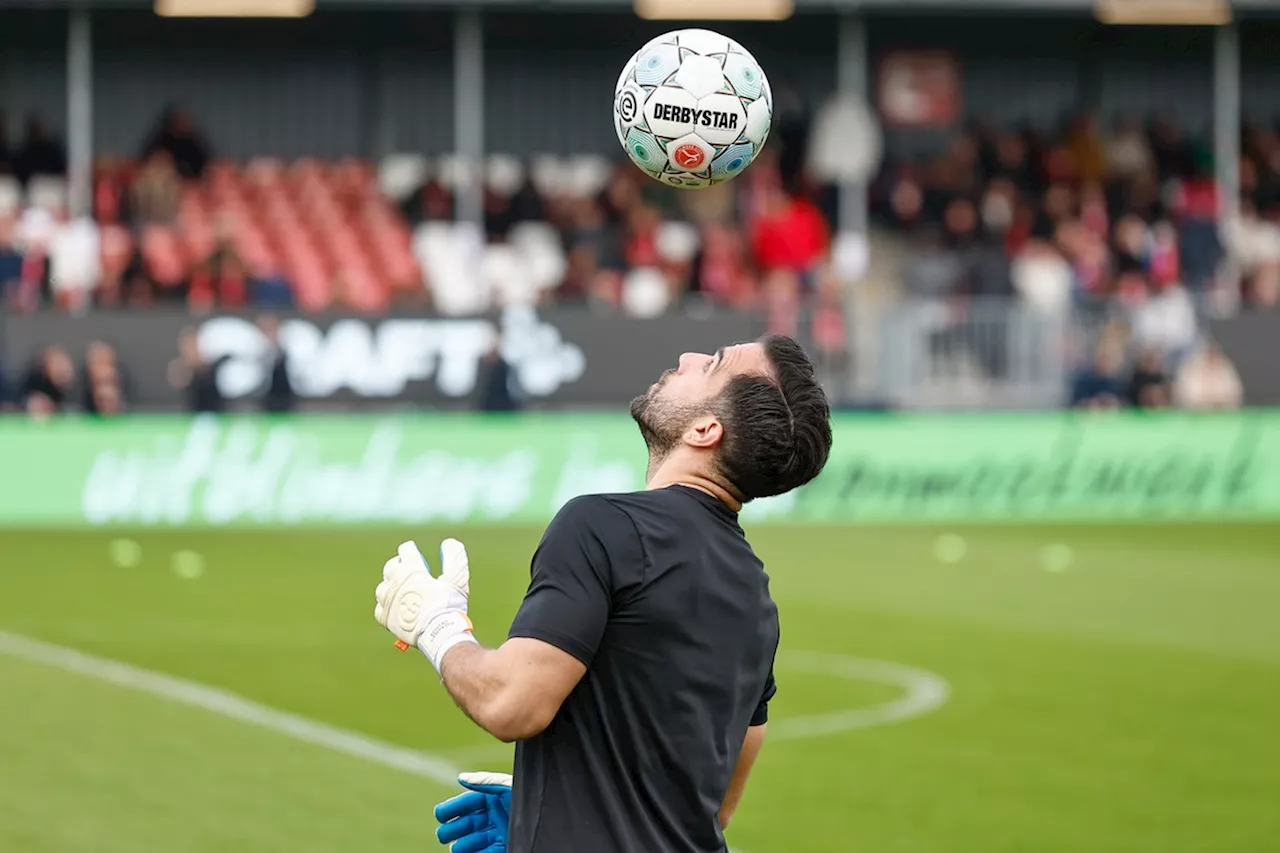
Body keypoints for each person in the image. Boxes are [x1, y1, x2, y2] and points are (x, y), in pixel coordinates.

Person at [372, 334, 833, 853]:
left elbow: (509, 702)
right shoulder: (756, 595)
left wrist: (439, 624)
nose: (686, 357)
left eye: (713, 363)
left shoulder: (603, 526)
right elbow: (713, 807)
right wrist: (554, 807)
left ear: (706, 430)